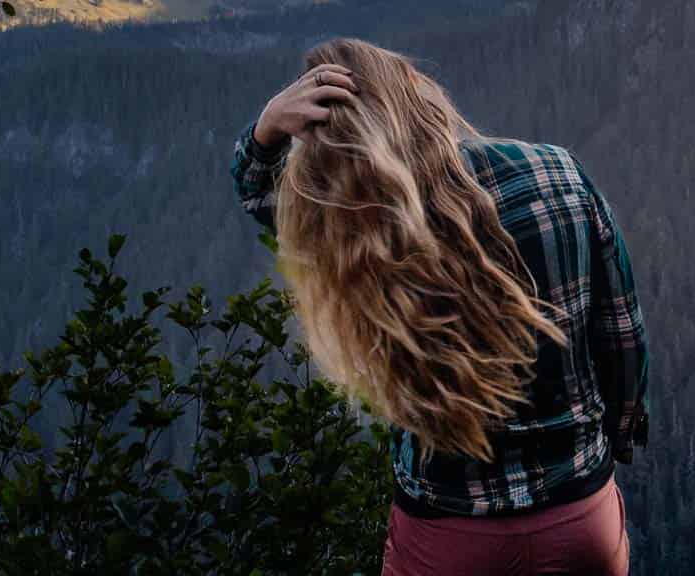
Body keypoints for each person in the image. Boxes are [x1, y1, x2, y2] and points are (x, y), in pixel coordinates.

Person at [231, 38, 648, 576]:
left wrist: (265, 132)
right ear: (415, 91)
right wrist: (608, 445)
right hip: (579, 520)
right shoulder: (558, 175)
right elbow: (622, 337)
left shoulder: (363, 230)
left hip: (448, 536)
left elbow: (261, 197)